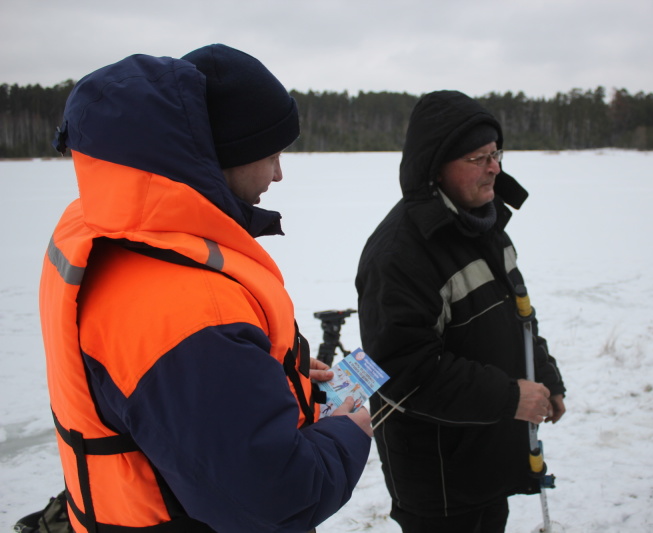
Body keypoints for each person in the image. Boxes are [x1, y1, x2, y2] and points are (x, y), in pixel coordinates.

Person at [37, 44, 371, 533]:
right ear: (220, 158)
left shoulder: (102, 227)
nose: (279, 174)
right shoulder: (191, 312)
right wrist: (347, 434)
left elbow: (176, 406)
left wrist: (274, 373)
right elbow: (274, 498)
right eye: (272, 155)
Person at [355, 90, 566, 533]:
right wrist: (511, 397)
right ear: (436, 167)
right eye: (477, 157)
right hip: (440, 480)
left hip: (490, 451)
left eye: (496, 153)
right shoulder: (400, 255)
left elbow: (518, 316)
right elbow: (404, 371)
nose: (494, 168)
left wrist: (544, 375)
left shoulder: (483, 224)